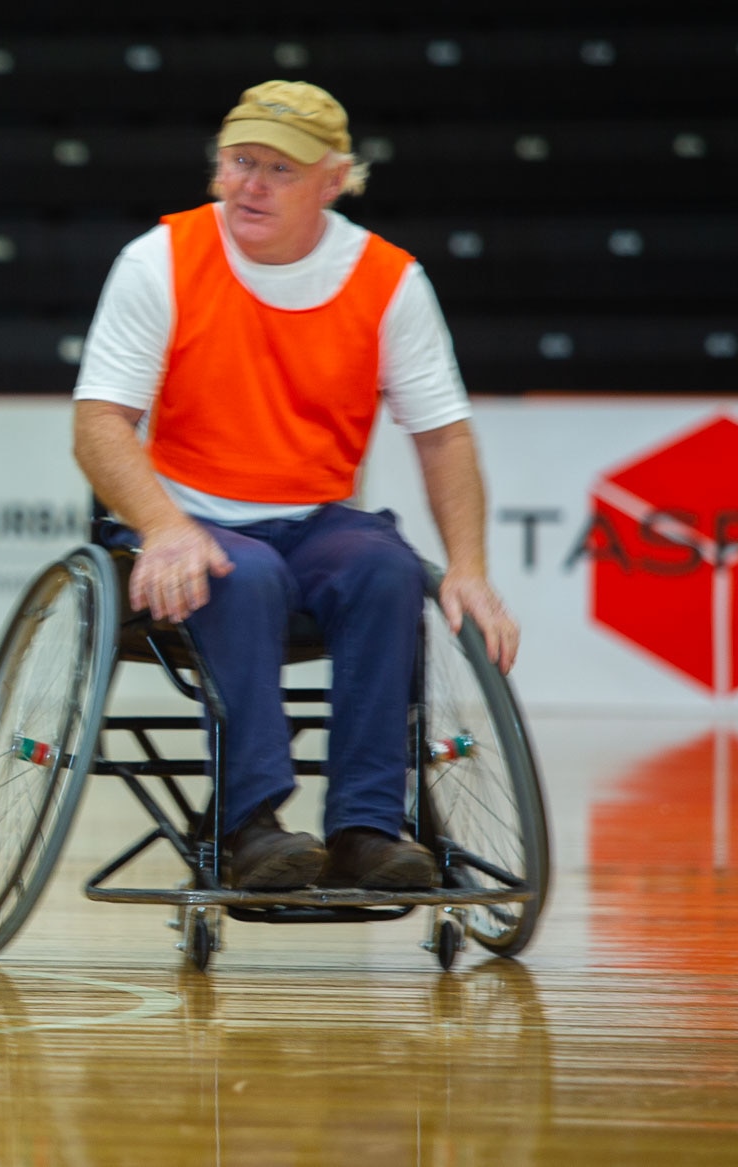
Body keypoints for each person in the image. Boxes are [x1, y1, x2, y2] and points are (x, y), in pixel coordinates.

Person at [72, 80, 519, 890]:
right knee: (243, 574)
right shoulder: (161, 259)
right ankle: (250, 823)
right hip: (179, 514)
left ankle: (367, 827)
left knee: (384, 569)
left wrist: (470, 567)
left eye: (280, 169)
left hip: (314, 515)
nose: (251, 184)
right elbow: (100, 423)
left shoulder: (387, 279)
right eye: (240, 162)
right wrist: (165, 526)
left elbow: (444, 435)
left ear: (336, 179)